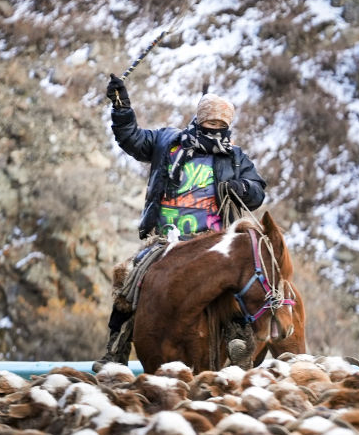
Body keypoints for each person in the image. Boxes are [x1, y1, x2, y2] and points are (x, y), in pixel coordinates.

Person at [99, 73, 267, 365]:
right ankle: (116, 350)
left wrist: (241, 187)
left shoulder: (235, 157)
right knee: (129, 277)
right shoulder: (167, 142)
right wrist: (121, 108)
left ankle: (239, 346)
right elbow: (132, 139)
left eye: (221, 125)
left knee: (234, 286)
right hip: (165, 240)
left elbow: (257, 192)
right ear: (198, 120)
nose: (215, 129)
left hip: (212, 243)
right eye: (210, 123)